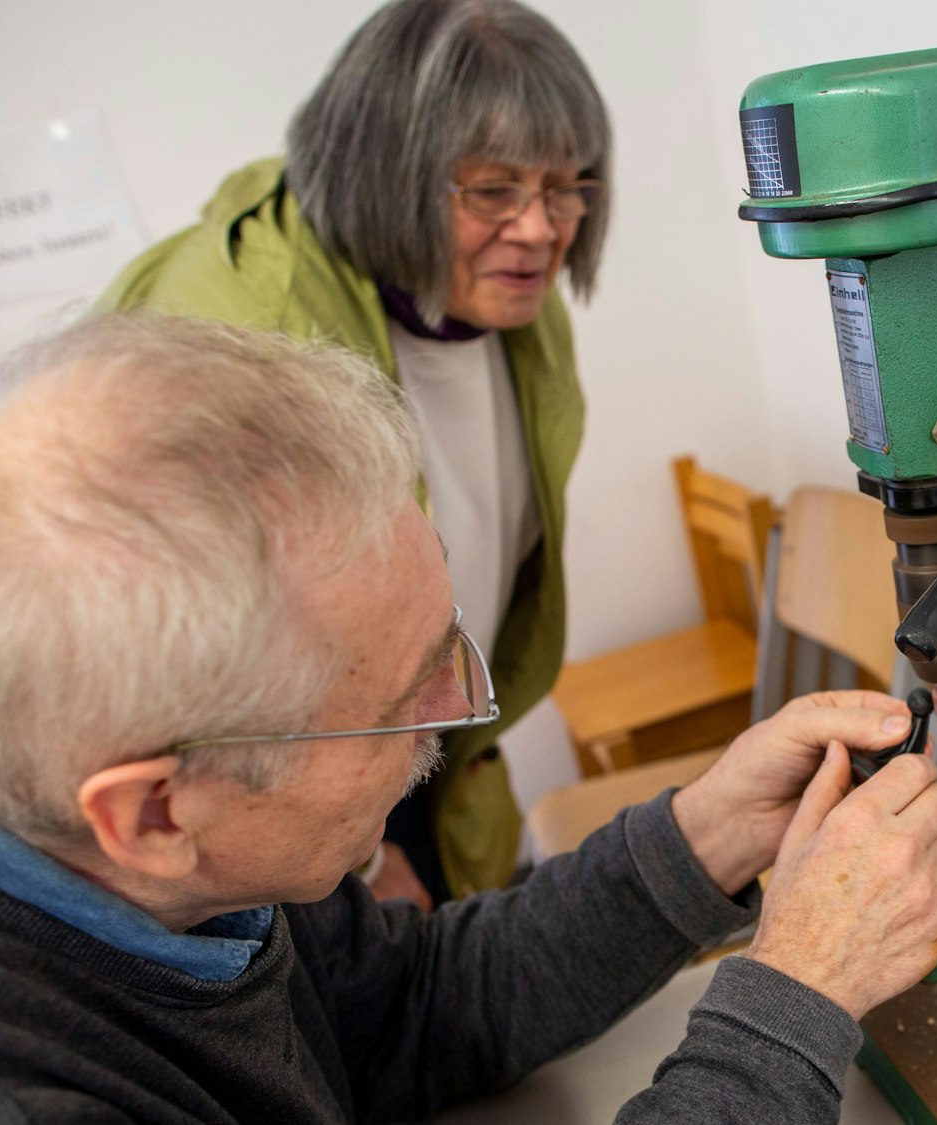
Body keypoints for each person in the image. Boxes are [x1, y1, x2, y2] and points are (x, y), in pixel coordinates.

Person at [0, 315, 937, 1123]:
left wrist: (702, 836)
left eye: (439, 653)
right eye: (400, 707)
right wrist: (792, 998)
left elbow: (408, 1011)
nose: (456, 720)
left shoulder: (112, 813)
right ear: (152, 812)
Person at [99, 0, 614, 902]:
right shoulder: (243, 335)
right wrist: (368, 860)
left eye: (566, 185)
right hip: (273, 809)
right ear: (386, 174)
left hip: (422, 750)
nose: (540, 228)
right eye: (493, 190)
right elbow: (174, 683)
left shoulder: (509, 304)